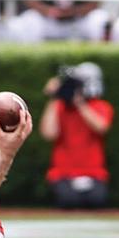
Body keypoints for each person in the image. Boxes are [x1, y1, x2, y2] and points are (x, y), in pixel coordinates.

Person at [39, 62, 112, 209]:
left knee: (97, 200)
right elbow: (48, 134)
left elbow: (101, 127)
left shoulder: (100, 106)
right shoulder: (59, 107)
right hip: (63, 173)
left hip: (94, 172)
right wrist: (54, 98)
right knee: (68, 200)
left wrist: (80, 105)